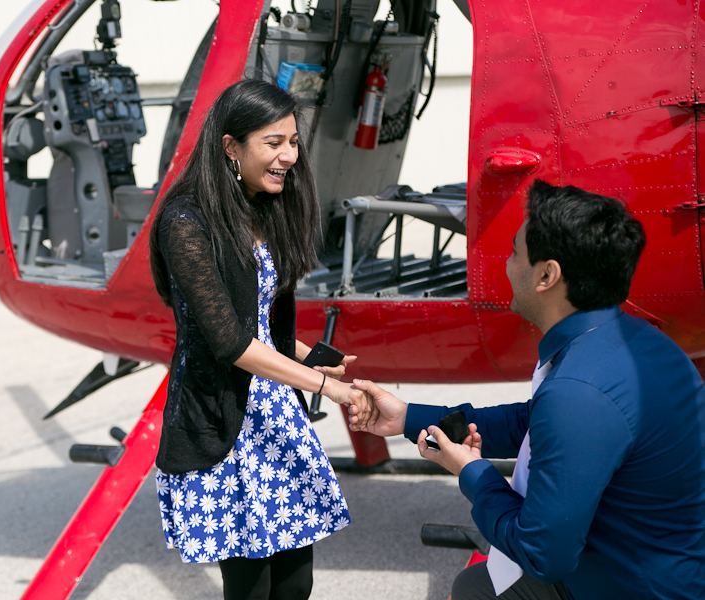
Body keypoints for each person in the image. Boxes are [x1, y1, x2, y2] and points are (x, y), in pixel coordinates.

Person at [349, 180, 705, 600]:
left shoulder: (579, 391)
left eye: (515, 251)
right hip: (659, 568)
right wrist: (409, 417)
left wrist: (472, 473)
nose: (507, 263)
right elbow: (535, 422)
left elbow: (543, 554)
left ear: (547, 275)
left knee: (471, 592)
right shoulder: (627, 341)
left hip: (631, 586)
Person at [148, 79, 370, 600]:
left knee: (296, 584)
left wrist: (314, 359)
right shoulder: (185, 222)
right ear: (231, 147)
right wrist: (324, 386)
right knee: (252, 587)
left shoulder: (263, 207)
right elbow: (229, 341)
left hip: (275, 412)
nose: (289, 156)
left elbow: (260, 324)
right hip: (223, 418)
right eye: (274, 143)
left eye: (293, 141)